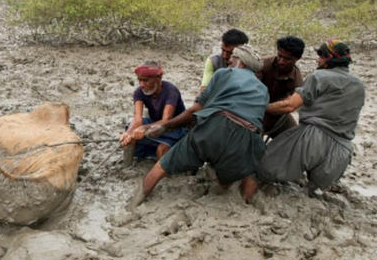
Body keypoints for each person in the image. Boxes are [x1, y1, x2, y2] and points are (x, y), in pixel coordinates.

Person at [128, 44, 269, 207]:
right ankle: (244, 202)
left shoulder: (224, 73)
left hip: (214, 127)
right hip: (246, 137)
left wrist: (165, 126)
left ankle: (134, 204)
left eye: (231, 61)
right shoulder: (263, 90)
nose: (229, 63)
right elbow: (257, 122)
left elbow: (196, 109)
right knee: (238, 176)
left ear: (241, 62)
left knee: (161, 167)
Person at [259, 39, 365, 195]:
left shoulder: (319, 76)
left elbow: (289, 106)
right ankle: (313, 186)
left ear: (329, 58)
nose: (318, 59)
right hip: (342, 151)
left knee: (264, 167)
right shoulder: (359, 86)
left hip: (313, 139)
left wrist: (262, 107)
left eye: (321, 56)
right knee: (313, 191)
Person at [120, 61, 187, 166]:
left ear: (158, 78)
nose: (142, 85)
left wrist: (144, 128)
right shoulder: (139, 92)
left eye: (146, 80)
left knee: (161, 150)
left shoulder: (171, 91)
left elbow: (166, 120)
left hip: (174, 128)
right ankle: (128, 164)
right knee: (130, 132)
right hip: (155, 123)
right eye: (140, 80)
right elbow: (137, 119)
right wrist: (128, 133)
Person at [260, 36, 305, 137]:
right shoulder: (262, 65)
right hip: (252, 110)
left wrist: (266, 108)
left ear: (297, 59)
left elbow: (289, 106)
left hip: (276, 115)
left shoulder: (297, 81)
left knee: (295, 137)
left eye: (287, 59)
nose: (281, 61)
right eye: (279, 56)